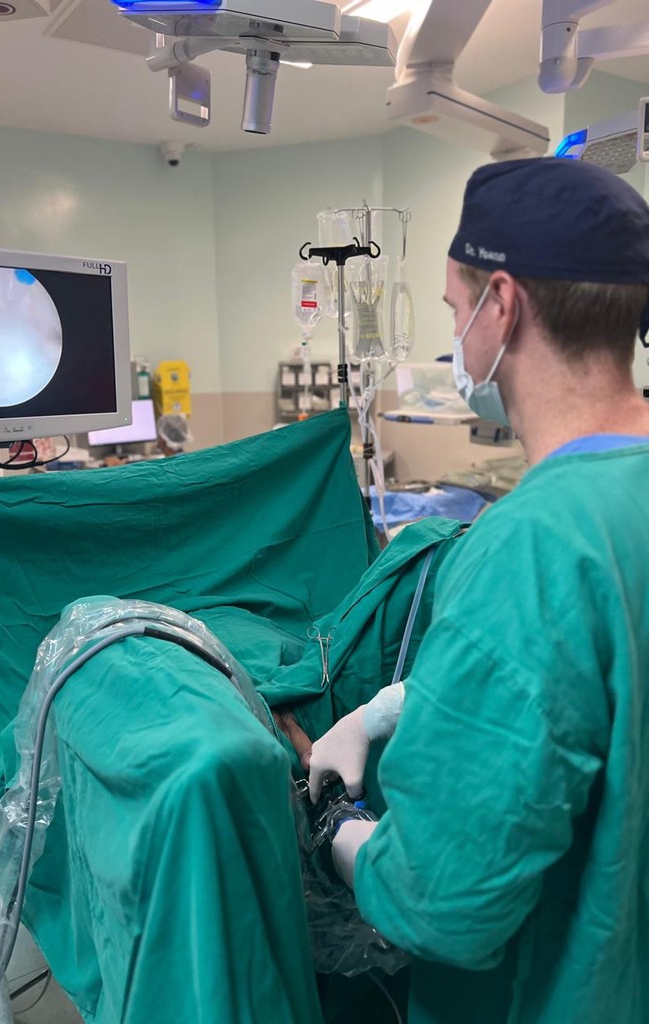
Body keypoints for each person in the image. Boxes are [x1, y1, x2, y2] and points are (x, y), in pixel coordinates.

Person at [308, 158, 649, 1024]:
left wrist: (341, 834)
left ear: (502, 304)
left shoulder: (533, 546)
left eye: (453, 309)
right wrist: (389, 708)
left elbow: (440, 905)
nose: (454, 338)